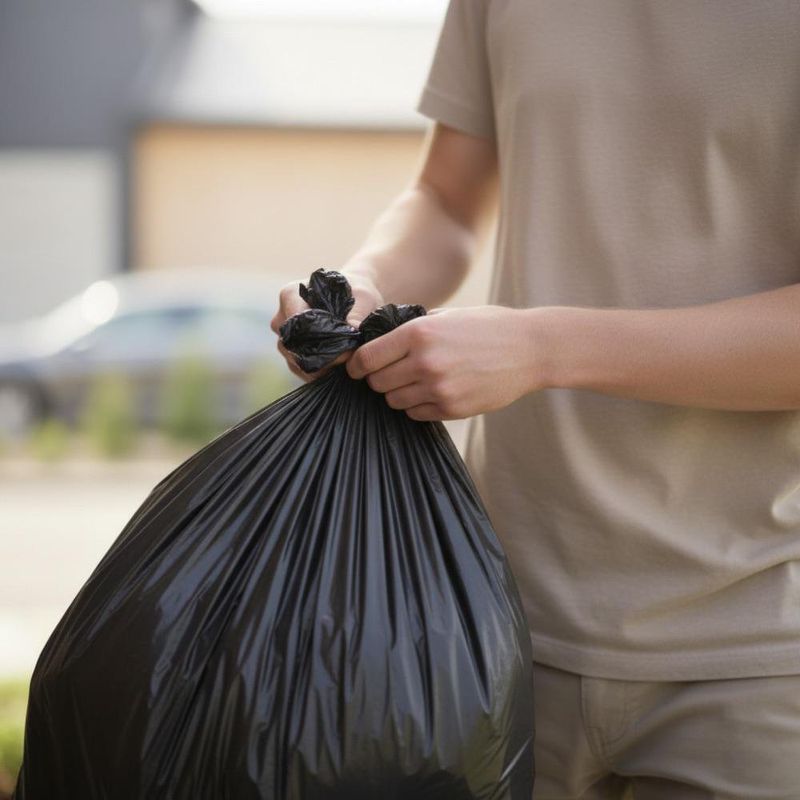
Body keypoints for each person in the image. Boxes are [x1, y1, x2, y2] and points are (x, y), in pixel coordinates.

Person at [271, 2, 800, 797]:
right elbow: (446, 198)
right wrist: (360, 287)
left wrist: (544, 348)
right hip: (488, 620)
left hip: (752, 652)